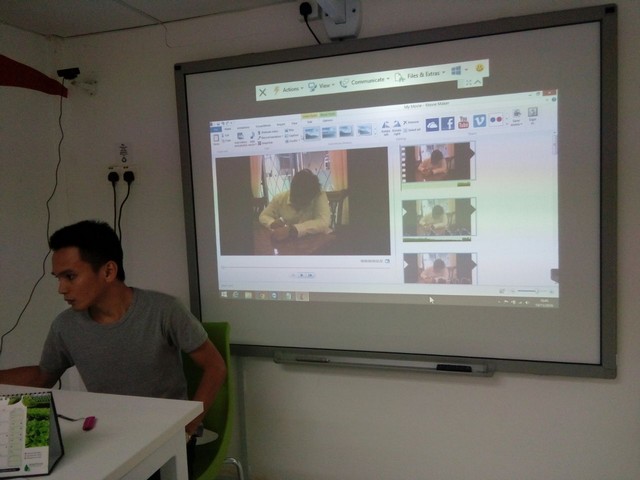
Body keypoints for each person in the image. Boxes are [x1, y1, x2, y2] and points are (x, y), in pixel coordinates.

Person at [0, 220, 226, 478]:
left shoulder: (165, 310)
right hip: (109, 435)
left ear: (108, 271)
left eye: (70, 276)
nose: (61, 288)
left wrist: (188, 427)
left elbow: (215, 366)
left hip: (167, 438)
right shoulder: (65, 326)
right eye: (58, 278)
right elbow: (44, 376)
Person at [258, 169, 332, 241]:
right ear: (292, 193)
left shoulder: (318, 195)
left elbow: (323, 222)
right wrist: (271, 223)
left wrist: (293, 229)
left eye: (306, 202)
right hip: (293, 241)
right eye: (299, 201)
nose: (302, 205)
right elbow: (264, 216)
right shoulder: (279, 199)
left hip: (321, 239)